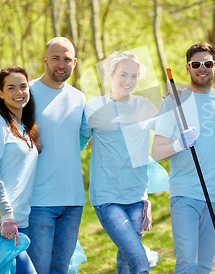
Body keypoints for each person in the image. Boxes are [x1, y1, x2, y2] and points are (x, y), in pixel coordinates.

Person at [0, 37, 86, 274]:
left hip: (73, 199)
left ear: (74, 62)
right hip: (38, 201)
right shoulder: (28, 91)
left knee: (60, 268)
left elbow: (82, 137)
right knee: (37, 268)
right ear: (45, 60)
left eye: (67, 59)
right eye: (55, 58)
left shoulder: (79, 98)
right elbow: (2, 123)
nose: (61, 64)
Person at [152, 42, 215, 273]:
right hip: (184, 193)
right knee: (187, 261)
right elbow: (157, 151)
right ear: (187, 68)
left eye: (207, 63)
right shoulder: (173, 101)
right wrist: (179, 144)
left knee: (205, 264)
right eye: (196, 64)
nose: (202, 68)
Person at [80, 51, 158, 274]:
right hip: (106, 198)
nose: (128, 81)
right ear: (111, 74)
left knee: (125, 261)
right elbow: (75, 142)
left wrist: (175, 102)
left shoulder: (144, 105)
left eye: (134, 76)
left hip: (136, 196)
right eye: (123, 74)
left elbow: (167, 134)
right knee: (140, 262)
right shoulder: (94, 106)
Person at [0, 66, 42, 274]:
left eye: (23, 86)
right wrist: (6, 216)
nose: (19, 92)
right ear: (1, 94)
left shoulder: (26, 128)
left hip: (19, 220)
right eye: (11, 88)